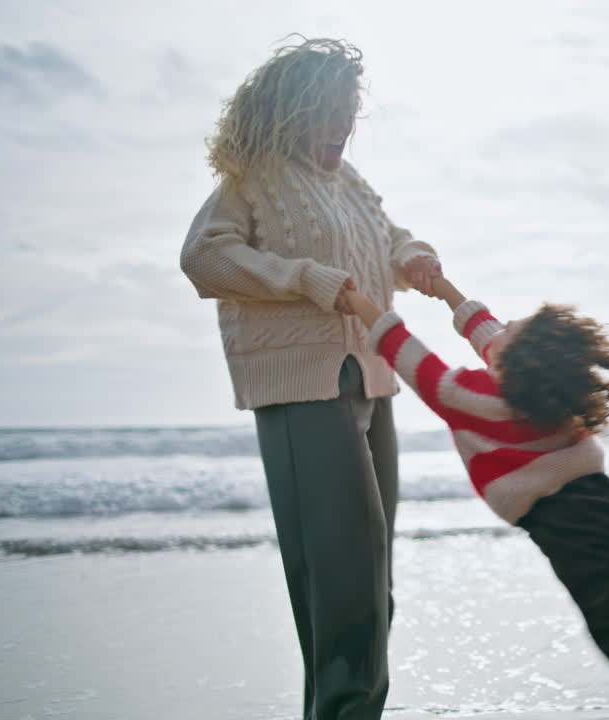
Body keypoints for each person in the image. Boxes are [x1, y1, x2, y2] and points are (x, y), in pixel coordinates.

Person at [179, 37, 439, 720]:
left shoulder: (347, 183)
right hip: (302, 390)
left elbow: (385, 235)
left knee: (370, 583)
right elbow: (203, 257)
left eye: (346, 111)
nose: (339, 127)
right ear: (287, 113)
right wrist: (301, 279)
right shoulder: (252, 179)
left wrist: (413, 258)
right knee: (344, 584)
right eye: (323, 111)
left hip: (371, 381)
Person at [339, 276, 609, 720]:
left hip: (570, 524)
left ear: (514, 359)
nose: (496, 329)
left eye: (508, 330)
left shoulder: (468, 395)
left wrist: (353, 299)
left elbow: (402, 347)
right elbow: (484, 331)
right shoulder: (539, 391)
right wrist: (443, 288)